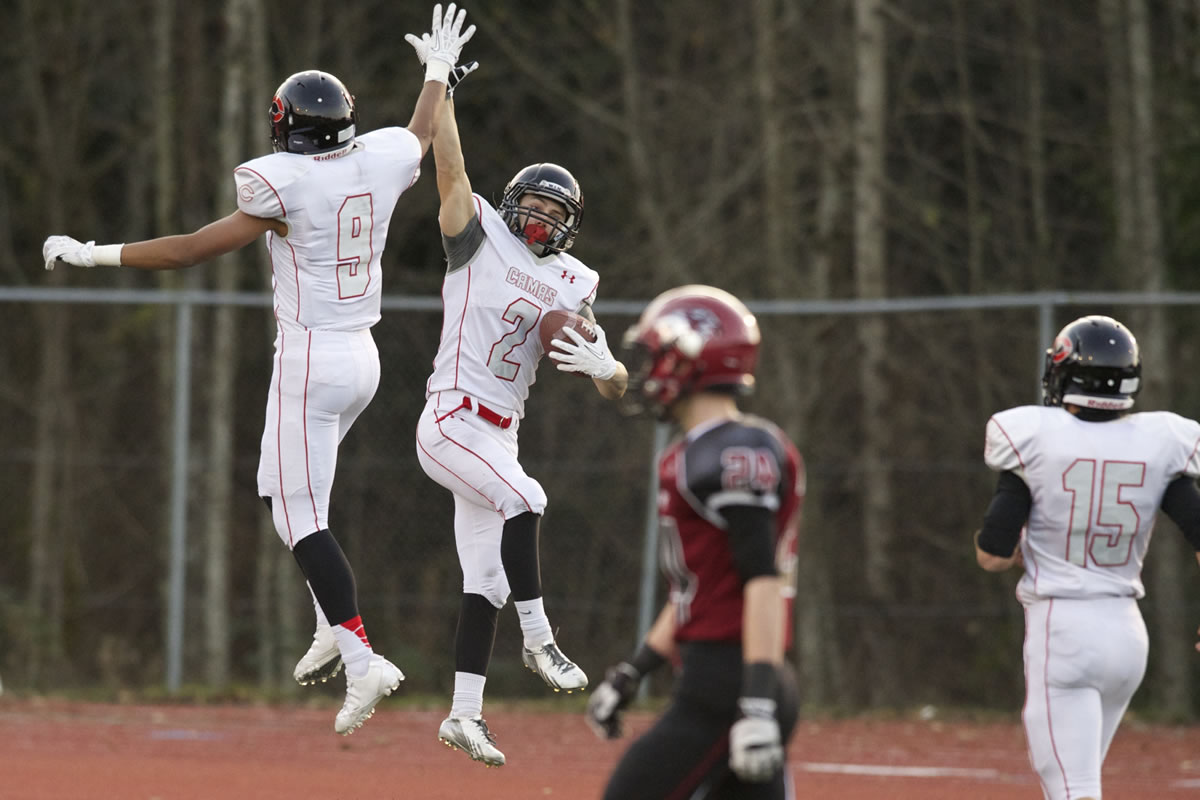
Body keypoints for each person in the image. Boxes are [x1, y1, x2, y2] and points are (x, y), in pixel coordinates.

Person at [41, 3, 476, 736]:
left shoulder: (284, 184)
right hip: (363, 356)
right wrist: (436, 71)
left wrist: (94, 252)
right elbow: (423, 132)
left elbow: (189, 249)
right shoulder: (379, 157)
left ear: (287, 130)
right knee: (282, 492)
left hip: (311, 358)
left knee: (300, 517)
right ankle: (329, 626)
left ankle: (363, 657)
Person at [406, 50, 629, 767]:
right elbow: (450, 171)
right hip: (450, 418)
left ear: (570, 225)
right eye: (533, 204)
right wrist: (440, 90)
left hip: (501, 433)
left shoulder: (573, 281)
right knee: (527, 500)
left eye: (555, 212)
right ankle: (540, 642)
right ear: (512, 203)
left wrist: (611, 367)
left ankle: (463, 716)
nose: (540, 218)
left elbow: (612, 386)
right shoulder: (478, 239)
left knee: (487, 581)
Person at [585, 285, 805, 800]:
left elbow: (762, 583)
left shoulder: (732, 452)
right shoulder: (697, 453)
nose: (648, 372)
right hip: (728, 678)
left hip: (731, 683)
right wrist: (633, 671)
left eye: (657, 357)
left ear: (690, 359)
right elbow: (697, 589)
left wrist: (754, 703)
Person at [975, 314, 1200, 800]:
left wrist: (1023, 552)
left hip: (1065, 632)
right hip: (1127, 637)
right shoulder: (1159, 442)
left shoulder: (1035, 438)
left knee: (1074, 789)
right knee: (1077, 783)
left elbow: (993, 552)